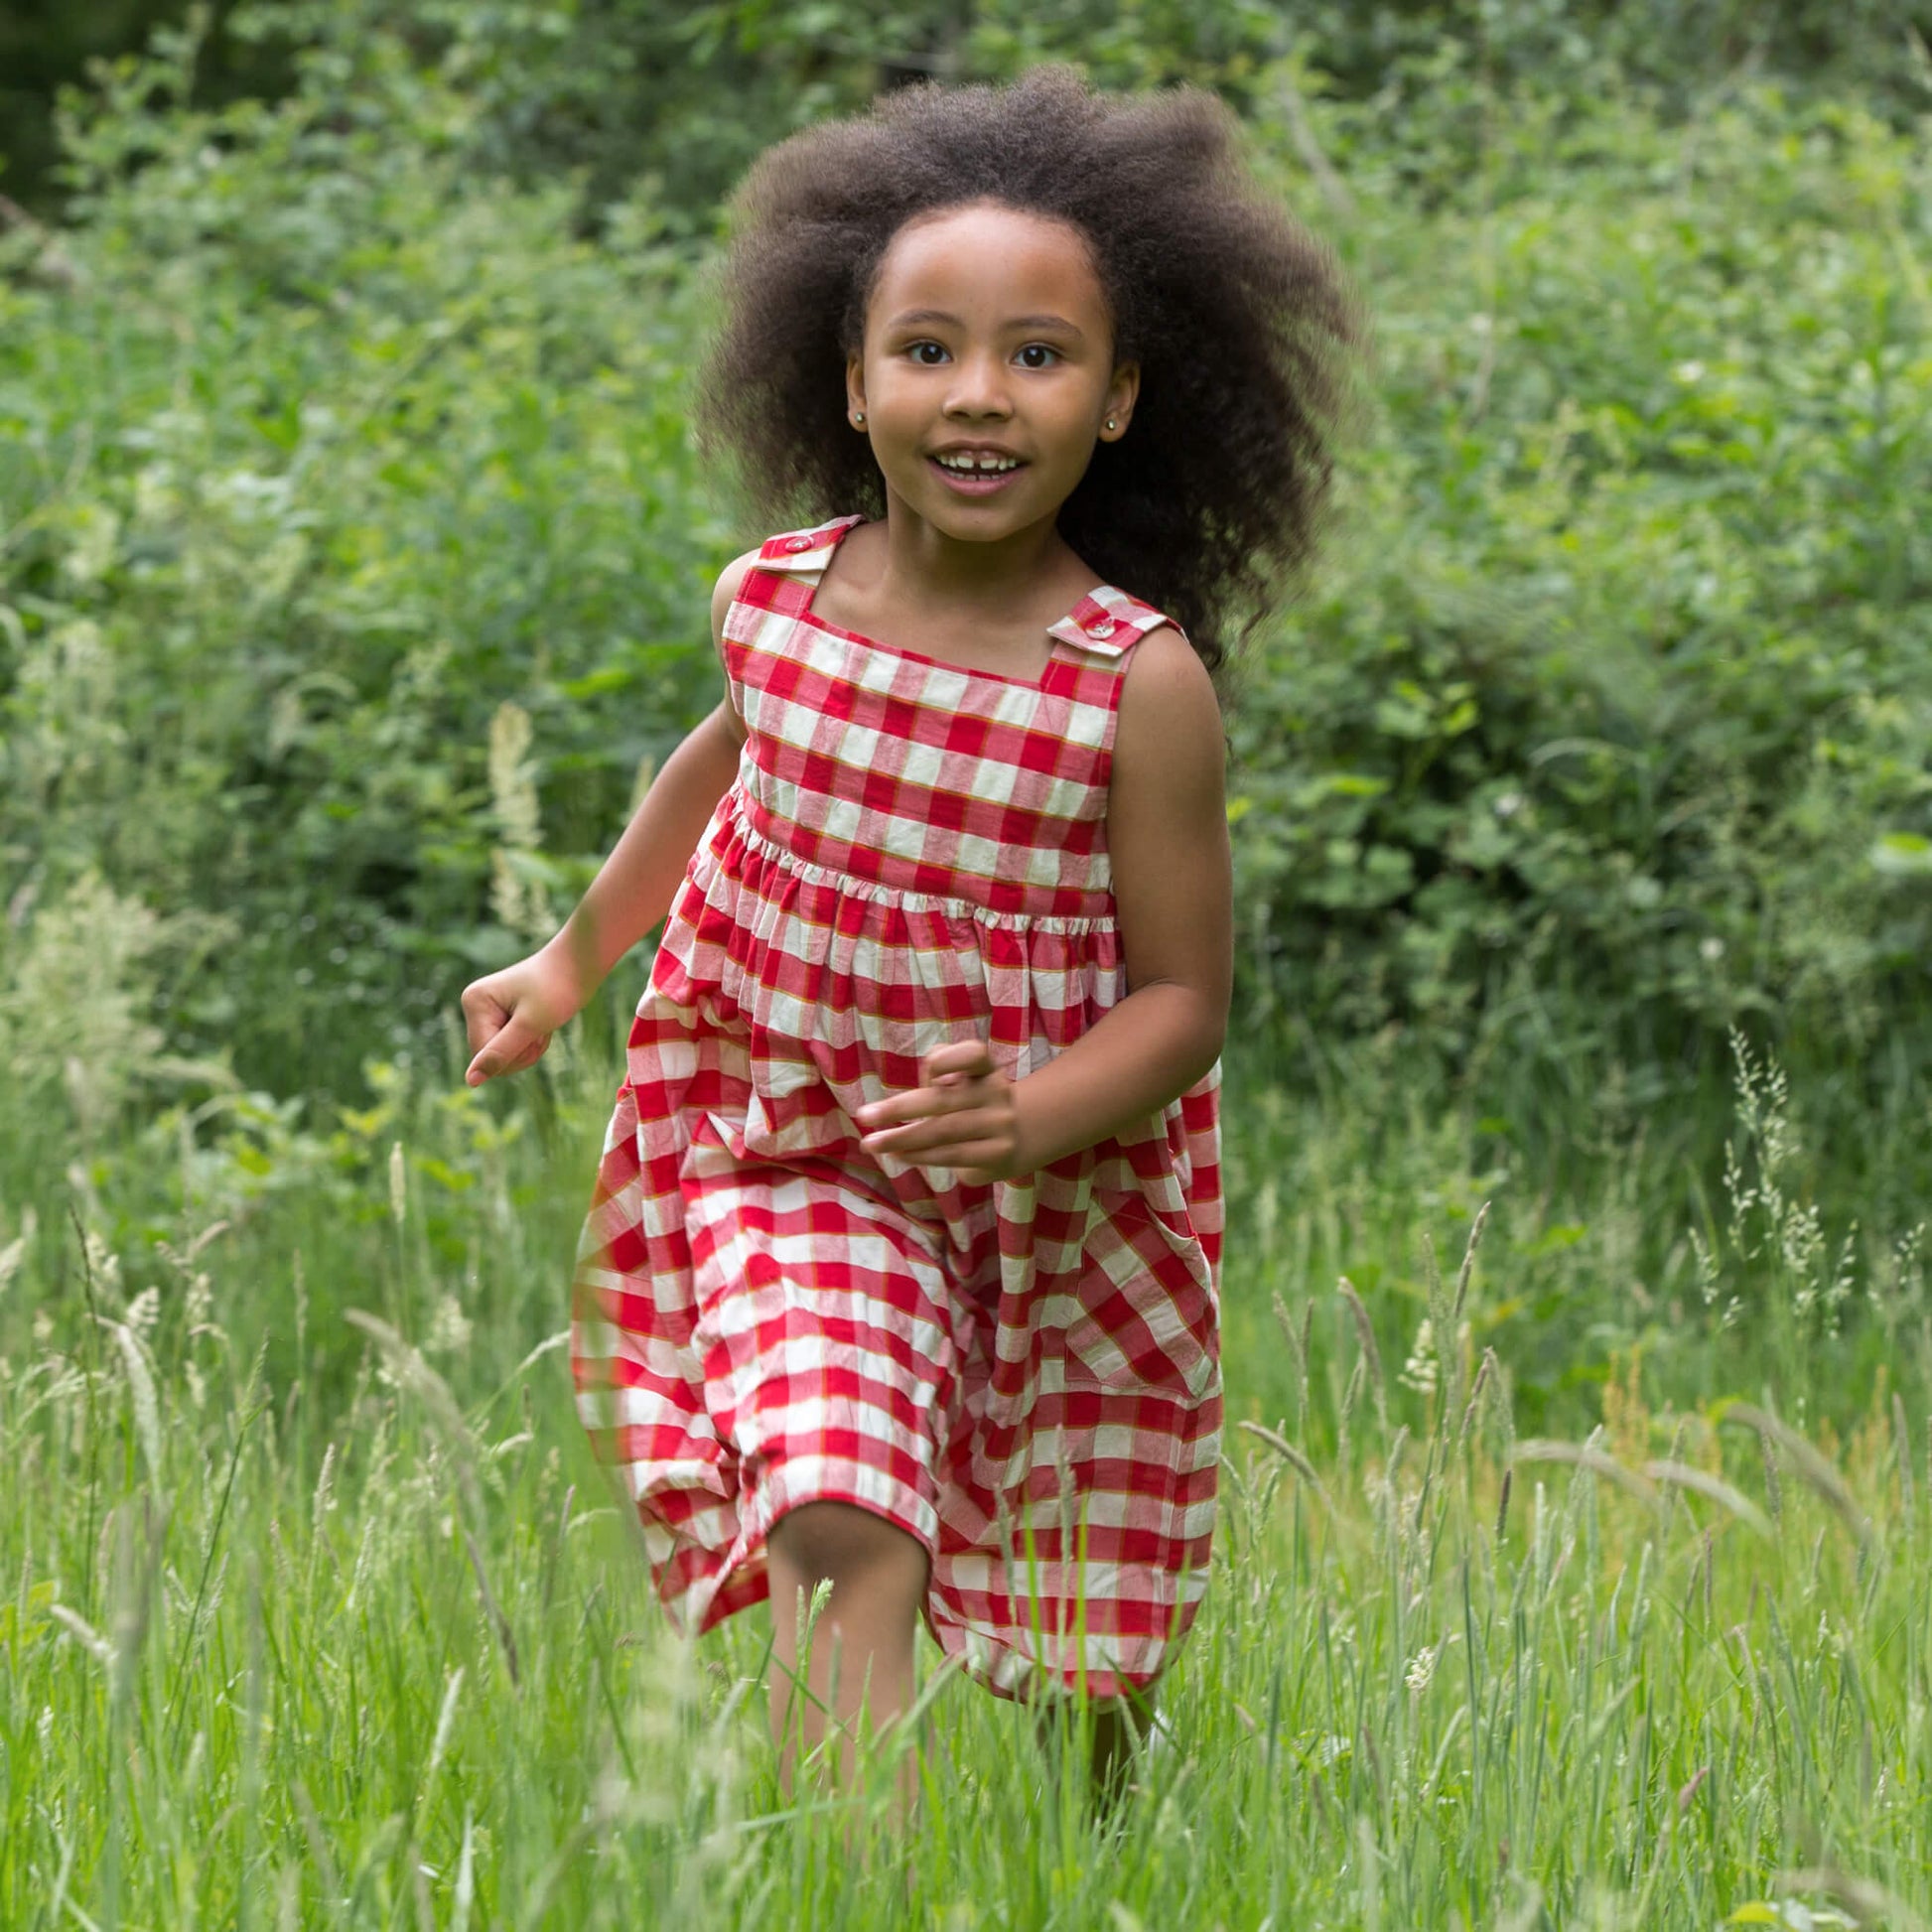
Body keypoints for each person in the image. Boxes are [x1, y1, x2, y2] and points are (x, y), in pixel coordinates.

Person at [460, 66, 1357, 1804]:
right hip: (800, 1145)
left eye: (1039, 354)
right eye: (928, 347)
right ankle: (853, 1882)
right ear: (850, 378)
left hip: (1061, 1188)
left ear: (1117, 403)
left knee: (1076, 1615)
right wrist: (574, 955)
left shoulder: (1132, 681)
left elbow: (1186, 997)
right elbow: (721, 766)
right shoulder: (777, 602)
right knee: (832, 1503)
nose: (978, 394)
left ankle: (1105, 1817)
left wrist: (1030, 1113)